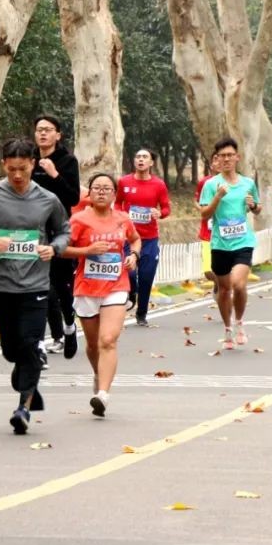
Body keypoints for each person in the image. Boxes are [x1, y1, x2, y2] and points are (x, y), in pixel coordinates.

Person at [0, 138, 70, 435]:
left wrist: (54, 248)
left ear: (33, 164)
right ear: (4, 166)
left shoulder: (48, 200)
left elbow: (64, 231)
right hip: (2, 285)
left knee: (30, 342)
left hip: (36, 284)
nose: (18, 176)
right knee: (12, 349)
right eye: (12, 170)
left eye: (23, 169)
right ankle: (24, 376)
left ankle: (23, 408)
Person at [62, 173, 141, 417]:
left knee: (108, 340)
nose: (101, 192)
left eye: (107, 188)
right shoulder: (78, 219)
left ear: (114, 194)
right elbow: (61, 249)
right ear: (90, 193)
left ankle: (103, 395)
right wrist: (87, 250)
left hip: (116, 285)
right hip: (86, 287)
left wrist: (134, 256)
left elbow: (136, 239)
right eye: (96, 188)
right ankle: (99, 373)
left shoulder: (123, 219)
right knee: (94, 344)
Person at [199, 138, 262, 349]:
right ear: (217, 159)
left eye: (230, 155)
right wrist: (218, 196)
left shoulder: (248, 183)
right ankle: (228, 327)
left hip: (243, 241)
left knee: (238, 284)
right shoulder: (210, 185)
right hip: (220, 244)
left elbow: (257, 207)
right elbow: (204, 213)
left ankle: (239, 322)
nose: (226, 159)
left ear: (237, 157)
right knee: (224, 290)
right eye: (222, 156)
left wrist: (253, 206)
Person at [31, 115, 81, 360]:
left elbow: (72, 198)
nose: (43, 134)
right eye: (39, 130)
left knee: (60, 286)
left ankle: (70, 327)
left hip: (58, 231)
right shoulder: (28, 158)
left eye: (48, 130)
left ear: (58, 135)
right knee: (38, 287)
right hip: (31, 231)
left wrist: (54, 175)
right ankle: (43, 341)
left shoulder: (67, 161)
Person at [116, 149, 171, 326]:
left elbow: (166, 208)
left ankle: (142, 314)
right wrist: (120, 215)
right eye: (138, 156)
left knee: (146, 277)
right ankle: (131, 293)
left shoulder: (159, 185)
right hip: (128, 237)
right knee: (130, 272)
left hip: (149, 239)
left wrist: (159, 213)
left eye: (144, 157)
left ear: (151, 163)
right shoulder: (124, 182)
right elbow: (117, 202)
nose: (140, 160)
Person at [196, 153, 221, 294]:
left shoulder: (231, 182)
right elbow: (197, 200)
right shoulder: (204, 183)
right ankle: (220, 285)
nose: (218, 163)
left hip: (224, 234)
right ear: (211, 164)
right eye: (215, 160)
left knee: (222, 268)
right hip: (207, 232)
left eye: (220, 160)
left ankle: (222, 286)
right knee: (207, 271)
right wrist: (203, 209)